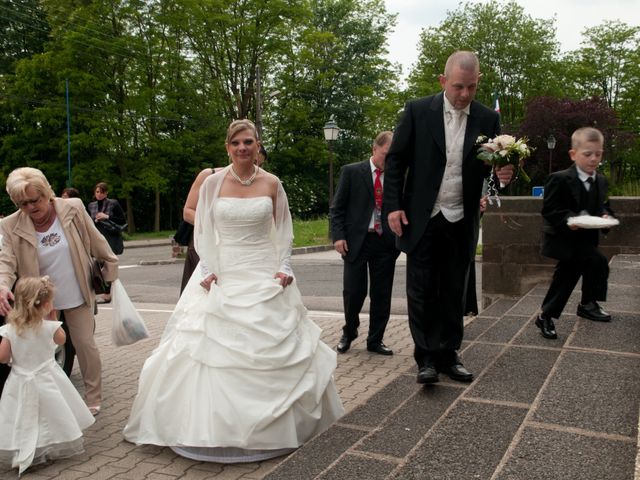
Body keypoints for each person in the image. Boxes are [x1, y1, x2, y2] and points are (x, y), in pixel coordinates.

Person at [124, 119, 344, 463]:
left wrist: (284, 265)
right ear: (228, 147)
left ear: (258, 146)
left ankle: (275, 429)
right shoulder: (213, 182)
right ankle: (209, 430)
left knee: (274, 343)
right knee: (205, 349)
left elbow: (283, 229)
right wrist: (208, 266)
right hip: (223, 270)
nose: (243, 148)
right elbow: (204, 228)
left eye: (249, 142)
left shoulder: (272, 183)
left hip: (262, 269)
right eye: (236, 143)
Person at [384, 51, 514, 385]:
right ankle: (426, 358)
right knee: (422, 289)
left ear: (478, 82)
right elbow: (396, 162)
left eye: (471, 87)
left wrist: (501, 177)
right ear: (443, 81)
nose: (465, 95)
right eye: (458, 87)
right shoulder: (416, 111)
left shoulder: (488, 119)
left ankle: (449, 354)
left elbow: (490, 171)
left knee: (455, 289)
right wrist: (393, 206)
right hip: (423, 215)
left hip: (462, 215)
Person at [0, 167, 118, 414]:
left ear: (47, 192)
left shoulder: (72, 207)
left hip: (76, 291)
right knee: (43, 349)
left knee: (85, 345)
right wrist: (2, 285)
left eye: (36, 200)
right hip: (39, 300)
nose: (32, 207)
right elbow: (7, 261)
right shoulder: (10, 225)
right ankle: (48, 401)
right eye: (23, 204)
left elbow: (97, 241)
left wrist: (111, 273)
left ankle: (93, 398)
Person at [0, 276, 95, 475]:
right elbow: (61, 340)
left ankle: (23, 449)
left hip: (20, 380)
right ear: (45, 304)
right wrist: (53, 320)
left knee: (21, 415)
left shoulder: (10, 330)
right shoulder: (49, 327)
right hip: (47, 379)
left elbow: (3, 357)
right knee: (51, 413)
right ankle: (47, 446)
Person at [535, 127, 614, 339]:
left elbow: (603, 206)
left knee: (578, 271)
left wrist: (605, 216)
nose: (593, 158)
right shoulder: (559, 179)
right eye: (588, 154)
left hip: (587, 239)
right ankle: (563, 311)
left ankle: (581, 305)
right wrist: (570, 220)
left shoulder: (601, 181)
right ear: (573, 154)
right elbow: (550, 210)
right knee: (590, 265)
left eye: (598, 154)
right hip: (565, 239)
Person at [330, 131, 400, 355]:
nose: (388, 161)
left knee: (382, 294)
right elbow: (337, 208)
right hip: (356, 242)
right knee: (353, 292)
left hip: (385, 242)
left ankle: (375, 340)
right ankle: (349, 332)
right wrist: (338, 236)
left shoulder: (397, 175)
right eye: (385, 155)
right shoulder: (351, 172)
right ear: (374, 149)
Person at [178, 145, 268, 293]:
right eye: (254, 160)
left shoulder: (259, 183)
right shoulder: (209, 175)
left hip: (238, 245)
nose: (254, 165)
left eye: (259, 163)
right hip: (205, 239)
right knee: (204, 290)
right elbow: (188, 211)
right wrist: (214, 226)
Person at [87, 182, 126, 303]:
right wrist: (95, 219)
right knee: (98, 266)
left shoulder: (113, 203)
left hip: (110, 236)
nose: (99, 194)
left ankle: (107, 294)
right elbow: (88, 221)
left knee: (109, 265)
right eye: (97, 192)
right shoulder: (91, 205)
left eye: (102, 192)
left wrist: (107, 217)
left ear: (106, 193)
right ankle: (103, 292)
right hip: (97, 236)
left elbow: (122, 220)